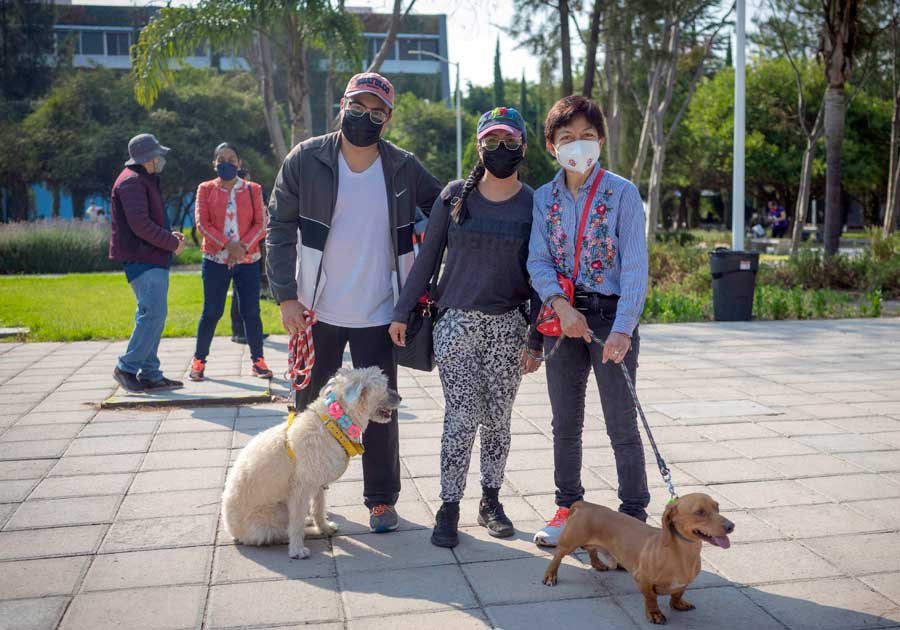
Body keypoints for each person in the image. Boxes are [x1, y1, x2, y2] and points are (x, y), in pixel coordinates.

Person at [266, 72, 442, 533]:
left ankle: (381, 499)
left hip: (381, 313)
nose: (366, 117)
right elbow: (279, 229)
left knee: (379, 410)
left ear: (389, 118)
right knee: (309, 411)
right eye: (358, 107)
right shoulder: (306, 159)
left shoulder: (403, 166)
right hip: (314, 309)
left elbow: (447, 204)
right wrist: (286, 296)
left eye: (377, 111)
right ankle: (300, 493)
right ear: (342, 105)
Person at [389, 107, 542, 548]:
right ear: (479, 146)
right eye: (491, 142)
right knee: (461, 417)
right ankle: (449, 505)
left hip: (509, 328)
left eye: (509, 142)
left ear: (523, 147)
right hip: (456, 324)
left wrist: (536, 338)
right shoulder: (455, 196)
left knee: (498, 420)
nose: (500, 150)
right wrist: (402, 312)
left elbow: (539, 273)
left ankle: (490, 501)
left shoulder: (534, 204)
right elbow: (428, 258)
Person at [527, 95, 650, 547]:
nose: (577, 144)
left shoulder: (622, 193)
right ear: (551, 146)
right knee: (565, 423)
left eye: (587, 136)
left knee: (621, 420)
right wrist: (561, 306)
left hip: (611, 316)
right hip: (564, 319)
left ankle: (634, 515)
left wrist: (622, 328)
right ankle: (568, 509)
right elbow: (537, 261)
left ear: (600, 140)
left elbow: (636, 266)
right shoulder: (544, 197)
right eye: (566, 138)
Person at [109, 133, 186, 392]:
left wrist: (168, 236)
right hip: (142, 258)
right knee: (153, 314)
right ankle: (126, 368)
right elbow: (140, 225)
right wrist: (172, 242)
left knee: (152, 315)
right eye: (157, 155)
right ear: (146, 158)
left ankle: (151, 374)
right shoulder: (132, 182)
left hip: (149, 257)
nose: (161, 159)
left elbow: (146, 221)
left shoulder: (142, 179)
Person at [189, 143, 272, 381]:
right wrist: (228, 245)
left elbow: (261, 223)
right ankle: (198, 361)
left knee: (251, 312)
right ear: (214, 163)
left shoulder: (252, 189)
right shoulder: (205, 189)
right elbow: (202, 223)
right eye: (221, 159)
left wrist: (242, 247)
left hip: (248, 259)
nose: (227, 163)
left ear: (239, 163)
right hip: (215, 259)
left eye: (232, 159)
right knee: (212, 312)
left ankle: (258, 362)